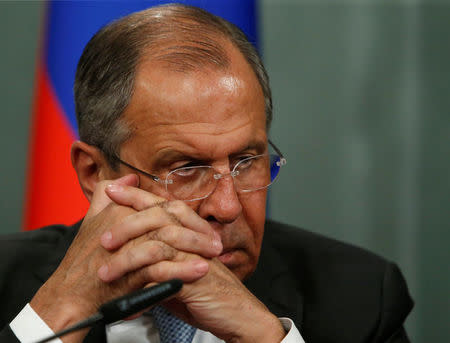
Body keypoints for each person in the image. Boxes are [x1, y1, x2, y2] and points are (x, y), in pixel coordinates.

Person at [0, 4, 413, 343]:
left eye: (246, 161)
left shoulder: (361, 297)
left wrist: (267, 338)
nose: (228, 206)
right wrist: (58, 315)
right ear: (94, 173)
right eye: (188, 169)